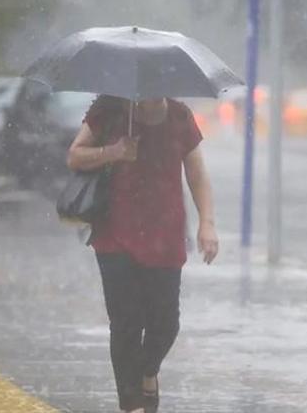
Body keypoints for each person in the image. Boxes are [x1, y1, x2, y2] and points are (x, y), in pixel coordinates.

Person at [67, 95, 219, 413]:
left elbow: (197, 175)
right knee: (126, 323)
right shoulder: (109, 109)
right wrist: (114, 152)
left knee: (166, 323)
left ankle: (148, 372)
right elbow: (75, 156)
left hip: (165, 234)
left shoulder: (180, 116)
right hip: (115, 234)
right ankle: (131, 404)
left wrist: (207, 223)